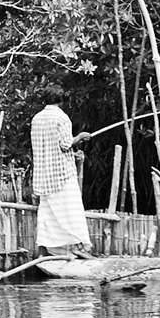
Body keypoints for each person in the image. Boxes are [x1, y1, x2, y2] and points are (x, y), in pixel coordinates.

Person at [31, 86, 93, 258]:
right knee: (71, 209)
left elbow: (47, 147)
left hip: (43, 175)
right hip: (61, 174)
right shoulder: (61, 117)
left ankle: (49, 249)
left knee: (48, 212)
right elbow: (65, 144)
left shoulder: (36, 119)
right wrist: (80, 137)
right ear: (61, 100)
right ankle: (77, 246)